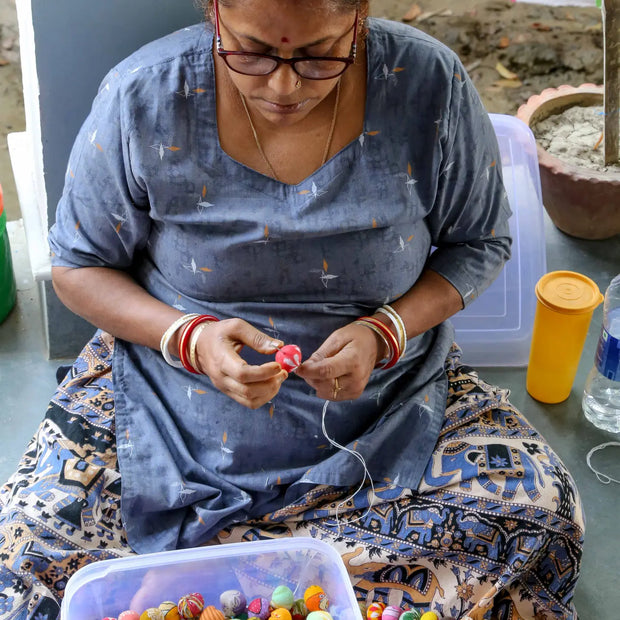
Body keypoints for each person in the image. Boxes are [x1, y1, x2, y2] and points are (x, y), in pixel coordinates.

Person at [0, 0, 584, 618]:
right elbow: (77, 267)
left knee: (535, 518)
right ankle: (320, 576)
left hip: (389, 405)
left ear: (358, 17)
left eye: (319, 54)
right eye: (250, 51)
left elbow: (481, 241)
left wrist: (387, 330)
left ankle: (226, 577)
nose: (284, 85)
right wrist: (189, 337)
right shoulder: (144, 95)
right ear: (214, 12)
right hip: (168, 398)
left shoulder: (429, 85)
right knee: (28, 552)